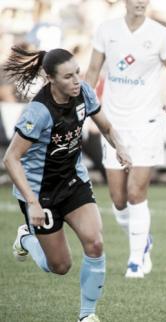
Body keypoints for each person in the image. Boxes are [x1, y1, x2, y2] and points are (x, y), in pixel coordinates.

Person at [2, 46, 131, 322]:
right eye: (68, 77)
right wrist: (32, 203)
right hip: (40, 193)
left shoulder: (83, 91)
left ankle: (87, 315)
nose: (76, 81)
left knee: (95, 244)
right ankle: (26, 236)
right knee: (60, 266)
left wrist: (120, 147)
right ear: (50, 78)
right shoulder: (38, 112)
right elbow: (11, 159)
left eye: (77, 73)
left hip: (73, 182)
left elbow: (106, 127)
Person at [85, 0, 166, 278]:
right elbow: (92, 73)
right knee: (118, 199)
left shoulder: (161, 34)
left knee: (135, 193)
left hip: (147, 123)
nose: (141, 2)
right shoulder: (106, 30)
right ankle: (143, 240)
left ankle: (135, 261)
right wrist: (83, 106)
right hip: (114, 125)